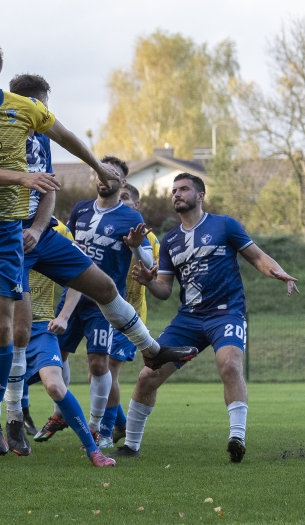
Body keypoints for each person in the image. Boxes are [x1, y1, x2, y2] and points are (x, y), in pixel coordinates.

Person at [0, 57, 196, 460]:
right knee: (12, 328)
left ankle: (150, 348)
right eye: (37, 106)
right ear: (18, 101)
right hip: (1, 231)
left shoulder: (38, 136)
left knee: (103, 286)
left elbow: (49, 188)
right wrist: (22, 205)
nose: (41, 116)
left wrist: (39, 227)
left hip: (39, 231)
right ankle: (6, 414)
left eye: (44, 108)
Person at [110, 174, 298, 463]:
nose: (176, 194)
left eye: (183, 189)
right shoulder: (171, 240)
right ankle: (131, 446)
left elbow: (258, 257)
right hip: (189, 319)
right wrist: (148, 282)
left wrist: (279, 272)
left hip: (227, 313)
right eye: (173, 190)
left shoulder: (225, 225)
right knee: (148, 374)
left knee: (230, 366)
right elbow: (164, 290)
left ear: (200, 195)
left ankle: (237, 438)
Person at [0, 219, 115, 467]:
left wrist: (64, 316)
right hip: (1, 324)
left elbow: (78, 279)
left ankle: (93, 450)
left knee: (55, 386)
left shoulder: (58, 232)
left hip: (41, 326)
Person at [46, 156, 155, 443]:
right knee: (55, 357)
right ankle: (61, 411)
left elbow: (148, 259)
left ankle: (96, 427)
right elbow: (66, 243)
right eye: (100, 171)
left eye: (112, 174)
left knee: (99, 365)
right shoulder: (81, 209)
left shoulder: (131, 217)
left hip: (103, 304)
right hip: (71, 296)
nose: (104, 177)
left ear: (122, 183)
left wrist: (134, 248)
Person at [96, 183, 160, 448]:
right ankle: (119, 423)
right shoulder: (106, 232)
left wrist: (134, 247)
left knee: (110, 370)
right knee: (96, 374)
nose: (118, 203)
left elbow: (150, 268)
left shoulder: (150, 239)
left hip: (131, 314)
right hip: (106, 312)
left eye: (125, 199)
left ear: (136, 206)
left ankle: (106, 433)